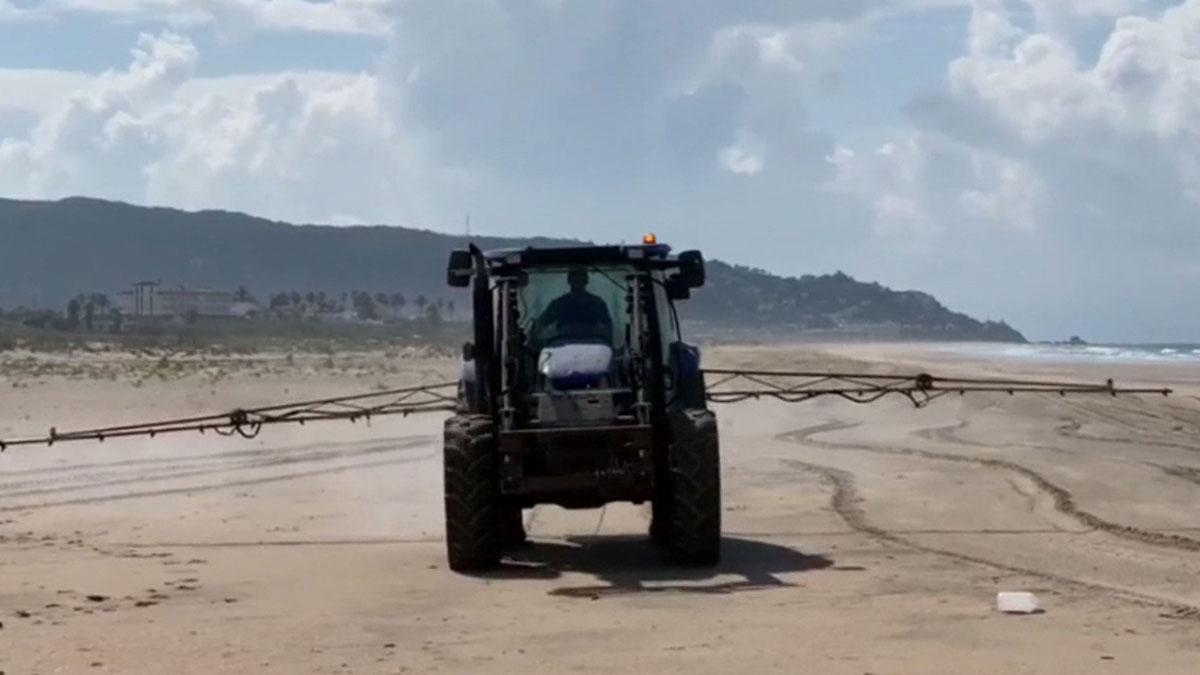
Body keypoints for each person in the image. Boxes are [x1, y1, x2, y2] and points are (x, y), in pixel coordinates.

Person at [534, 267, 613, 344]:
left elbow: (608, 329)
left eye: (580, 277)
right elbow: (541, 323)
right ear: (569, 280)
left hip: (592, 348)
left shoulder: (597, 304)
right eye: (575, 276)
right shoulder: (558, 304)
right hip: (562, 349)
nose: (577, 280)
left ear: (586, 280)